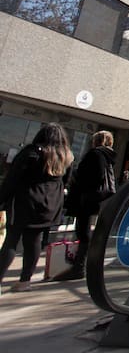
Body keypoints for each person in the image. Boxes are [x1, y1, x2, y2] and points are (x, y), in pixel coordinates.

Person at [0, 124, 73, 293]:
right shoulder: (66, 157)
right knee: (34, 242)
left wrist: (2, 198)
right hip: (48, 205)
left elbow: (12, 178)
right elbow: (66, 182)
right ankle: (25, 281)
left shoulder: (31, 153)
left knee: (11, 241)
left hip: (25, 202)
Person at [54, 130, 116, 281]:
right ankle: (80, 264)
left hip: (86, 198)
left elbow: (92, 176)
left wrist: (78, 178)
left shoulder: (95, 155)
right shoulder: (108, 156)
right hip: (94, 198)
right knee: (85, 231)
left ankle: (79, 266)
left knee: (83, 232)